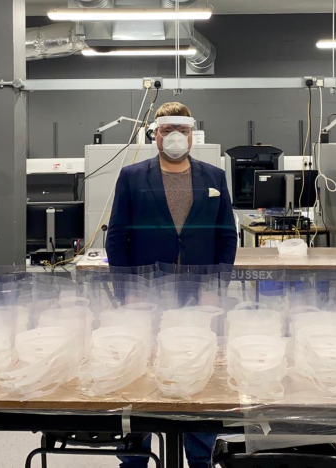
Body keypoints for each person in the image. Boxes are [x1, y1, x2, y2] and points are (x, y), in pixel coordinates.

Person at [107, 102, 238, 468]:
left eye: (183, 129)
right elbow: (116, 237)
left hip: (200, 293)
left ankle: (200, 457)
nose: (176, 136)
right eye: (167, 130)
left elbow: (227, 235)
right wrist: (126, 289)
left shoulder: (214, 176)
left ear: (193, 134)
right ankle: (134, 457)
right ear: (155, 135)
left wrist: (218, 285)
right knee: (141, 370)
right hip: (146, 291)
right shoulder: (132, 176)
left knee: (200, 368)